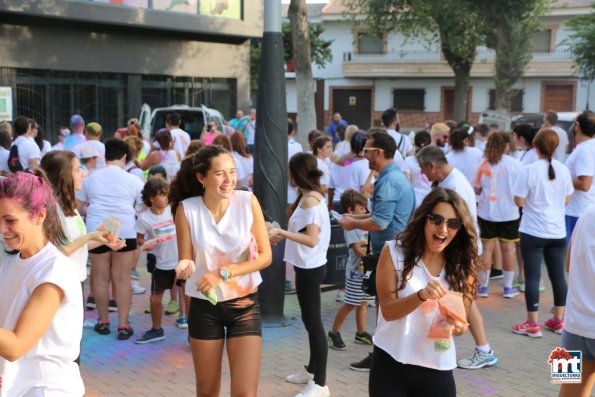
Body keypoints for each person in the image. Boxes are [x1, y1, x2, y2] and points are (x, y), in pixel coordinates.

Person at [172, 145, 272, 397]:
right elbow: (186, 258)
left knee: (245, 394)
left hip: (245, 305)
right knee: (206, 391)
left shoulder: (248, 202)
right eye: (220, 173)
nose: (229, 180)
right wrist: (185, 267)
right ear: (201, 177)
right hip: (204, 307)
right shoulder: (187, 210)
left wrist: (224, 272)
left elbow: (265, 256)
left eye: (232, 171)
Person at [369, 187, 477, 397]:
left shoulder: (463, 265)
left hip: (436, 365)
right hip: (391, 361)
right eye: (436, 219)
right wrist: (421, 296)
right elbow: (388, 311)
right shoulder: (394, 252)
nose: (443, 229)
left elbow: (462, 325)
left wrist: (456, 326)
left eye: (452, 223)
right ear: (423, 219)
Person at [0, 171, 85, 396]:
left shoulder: (54, 271)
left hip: (46, 389)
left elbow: (17, 345)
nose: (2, 229)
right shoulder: (11, 259)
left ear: (39, 215)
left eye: (10, 221)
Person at [338, 129, 415, 372]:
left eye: (367, 151)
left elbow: (381, 222)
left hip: (391, 252)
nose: (364, 155)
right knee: (387, 306)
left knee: (387, 307)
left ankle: (383, 357)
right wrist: (355, 217)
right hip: (393, 250)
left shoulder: (389, 180)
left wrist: (353, 223)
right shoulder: (392, 177)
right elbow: (382, 216)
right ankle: (384, 355)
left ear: (379, 153)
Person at [417, 145, 498, 370]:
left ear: (431, 166)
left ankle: (468, 352)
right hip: (460, 250)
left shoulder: (454, 185)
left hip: (462, 251)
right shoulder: (452, 181)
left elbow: (460, 225)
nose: (422, 174)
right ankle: (477, 350)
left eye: (422, 168)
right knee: (457, 301)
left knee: (456, 303)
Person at [269, 152, 332, 397]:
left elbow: (311, 239)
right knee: (309, 320)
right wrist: (280, 232)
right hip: (307, 266)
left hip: (310, 268)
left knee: (314, 323)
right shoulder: (308, 196)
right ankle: (313, 369)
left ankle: (320, 383)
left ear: (297, 173)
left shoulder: (310, 201)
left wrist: (281, 233)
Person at [77, 138, 144, 340]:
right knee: (123, 278)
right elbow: (143, 206)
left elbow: (79, 206)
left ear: (105, 155)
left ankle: (103, 321)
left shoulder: (90, 177)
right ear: (124, 157)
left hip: (98, 229)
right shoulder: (133, 180)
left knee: (100, 276)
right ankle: (123, 325)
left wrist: (91, 211)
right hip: (125, 228)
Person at [511, 129, 573, 337]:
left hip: (533, 230)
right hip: (557, 231)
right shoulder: (563, 170)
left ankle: (532, 324)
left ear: (535, 146)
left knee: (532, 276)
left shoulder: (529, 170)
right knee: (558, 277)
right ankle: (558, 320)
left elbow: (518, 200)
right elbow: (567, 199)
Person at [135, 177, 185, 343]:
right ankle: (157, 329)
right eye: (162, 195)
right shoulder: (144, 218)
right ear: (151, 198)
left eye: (167, 194)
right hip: (161, 263)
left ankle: (194, 329)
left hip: (181, 260)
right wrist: (146, 244)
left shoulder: (174, 210)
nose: (166, 198)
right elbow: (140, 239)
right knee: (155, 298)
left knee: (188, 295)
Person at [473, 131, 522, 298]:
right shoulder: (516, 164)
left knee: (486, 249)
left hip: (486, 212)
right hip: (510, 213)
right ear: (506, 145)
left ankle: (483, 287)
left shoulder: (483, 165)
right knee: (508, 249)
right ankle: (508, 288)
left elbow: (477, 189)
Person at [327, 189, 374, 350]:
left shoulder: (362, 225)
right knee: (350, 303)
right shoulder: (352, 228)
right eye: (362, 208)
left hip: (364, 271)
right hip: (356, 272)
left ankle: (361, 333)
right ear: (350, 210)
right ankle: (334, 332)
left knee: (363, 302)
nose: (365, 212)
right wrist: (372, 258)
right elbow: (357, 250)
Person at [559, 204, 595, 397]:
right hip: (574, 325)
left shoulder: (587, 211)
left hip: (572, 327)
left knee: (566, 393)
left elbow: (568, 264)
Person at [564, 110, 595, 241]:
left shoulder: (584, 150)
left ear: (577, 126)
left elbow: (585, 184)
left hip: (577, 211)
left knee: (571, 258)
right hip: (584, 209)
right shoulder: (588, 147)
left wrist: (561, 179)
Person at [401, 130, 432, 209]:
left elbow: (405, 184)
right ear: (430, 144)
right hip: (430, 200)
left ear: (414, 144)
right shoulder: (434, 160)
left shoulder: (408, 160)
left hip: (413, 202)